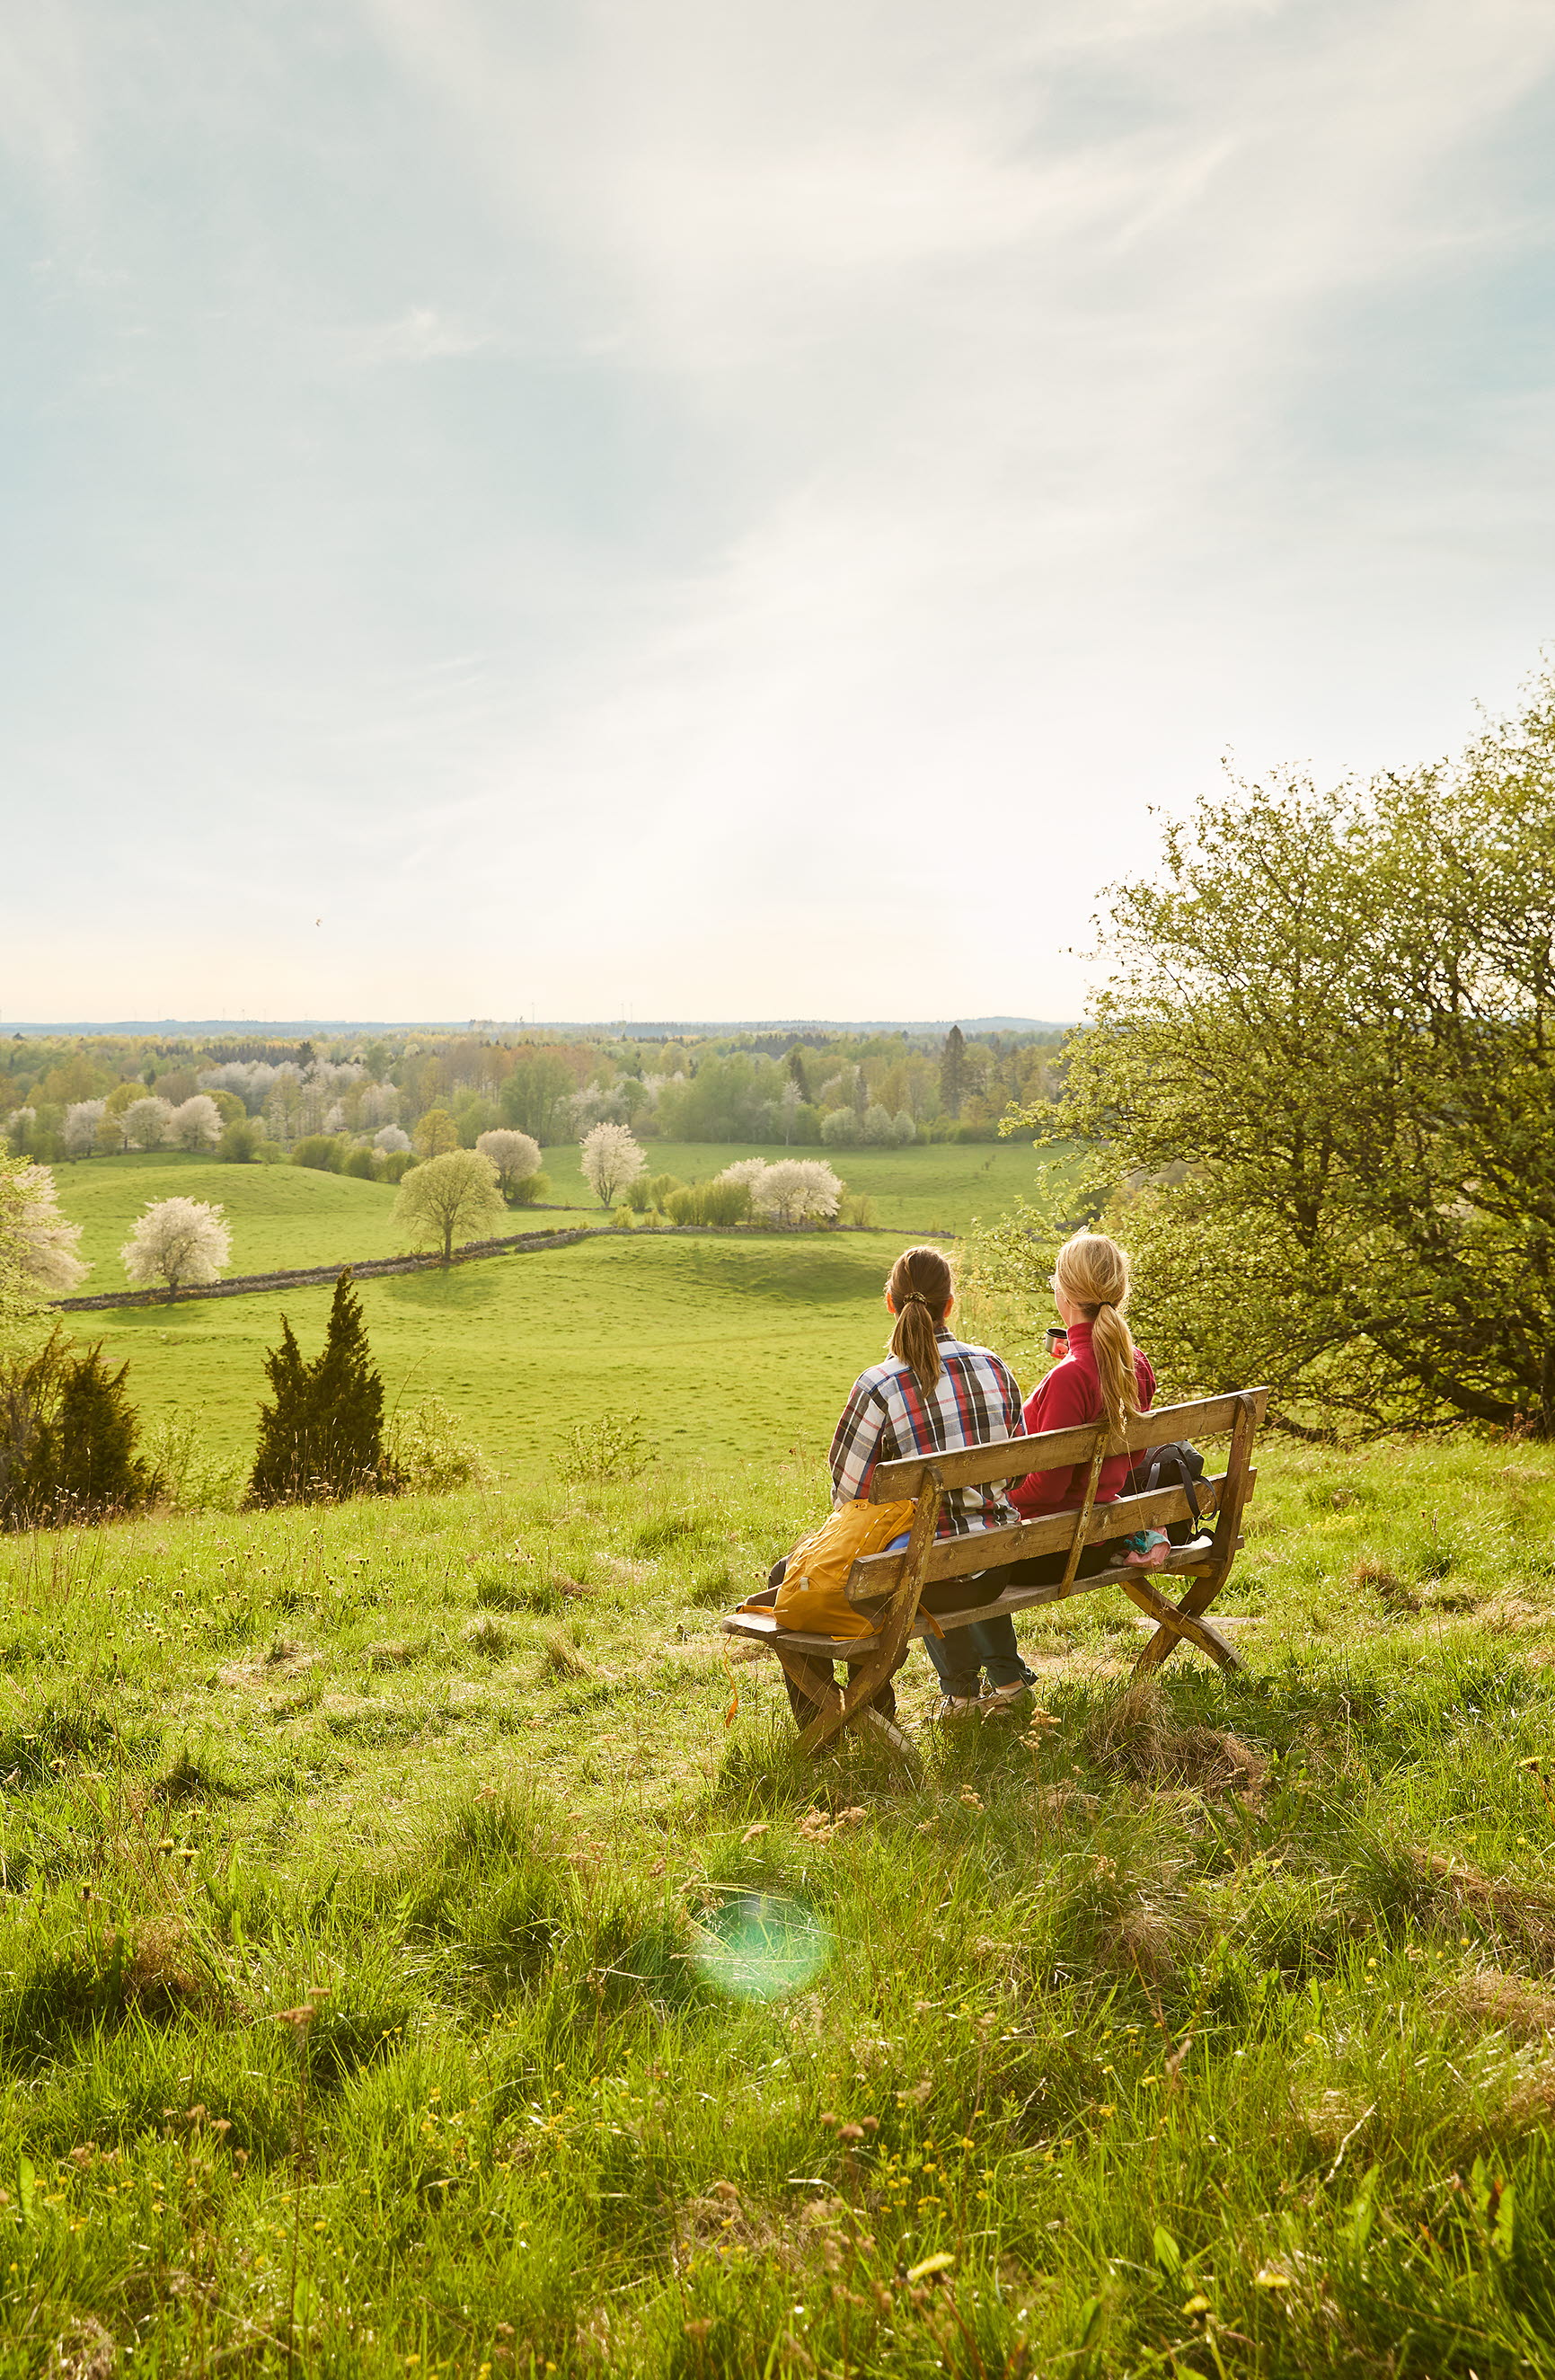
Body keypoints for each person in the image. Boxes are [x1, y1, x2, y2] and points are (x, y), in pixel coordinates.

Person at [769, 1243, 1041, 1727]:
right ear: (950, 1304)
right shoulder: (994, 1366)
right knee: (904, 1559)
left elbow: (849, 1495)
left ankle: (849, 1725)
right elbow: (1016, 1471)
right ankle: (880, 1716)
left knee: (791, 1578)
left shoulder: (879, 1384)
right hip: (994, 1566)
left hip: (925, 1578)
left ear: (891, 1304)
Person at [1007, 1230, 1167, 1573]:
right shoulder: (1133, 1362)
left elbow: (1046, 1490)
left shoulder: (1071, 1377)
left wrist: (995, 1501)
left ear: (1063, 1292)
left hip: (1048, 1550)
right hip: (1100, 1537)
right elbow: (1133, 1455)